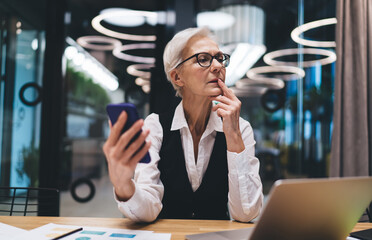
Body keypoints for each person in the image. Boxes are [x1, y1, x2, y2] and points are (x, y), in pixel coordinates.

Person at [103, 27, 263, 223]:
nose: (217, 66)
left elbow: (246, 213)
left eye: (220, 58)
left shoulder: (241, 128)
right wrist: (123, 185)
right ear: (177, 77)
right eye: (203, 59)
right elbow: (147, 211)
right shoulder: (156, 125)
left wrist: (233, 135)